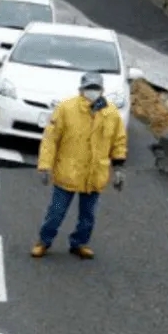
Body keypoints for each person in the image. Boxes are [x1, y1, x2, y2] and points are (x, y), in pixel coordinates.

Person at [31, 72, 128, 260]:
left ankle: (79, 243)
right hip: (68, 172)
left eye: (96, 89)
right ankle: (44, 241)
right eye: (88, 88)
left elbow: (119, 141)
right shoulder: (66, 109)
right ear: (80, 89)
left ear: (102, 90)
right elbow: (51, 139)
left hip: (94, 173)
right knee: (56, 212)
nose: (92, 92)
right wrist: (45, 165)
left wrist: (119, 168)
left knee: (88, 215)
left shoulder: (111, 113)